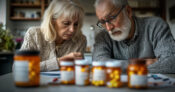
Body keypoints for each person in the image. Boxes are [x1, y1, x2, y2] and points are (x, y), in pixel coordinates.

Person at [93, 0, 175, 73]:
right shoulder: (103, 36)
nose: (108, 28)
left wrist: (115, 66)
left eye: (111, 18)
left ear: (128, 11)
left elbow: (171, 62)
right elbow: (99, 63)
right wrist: (142, 63)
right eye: (102, 22)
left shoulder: (156, 26)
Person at [20, 0, 87, 71]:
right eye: (66, 23)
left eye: (76, 24)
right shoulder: (34, 34)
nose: (72, 30)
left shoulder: (80, 40)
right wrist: (59, 62)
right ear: (52, 21)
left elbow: (78, 70)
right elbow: (19, 67)